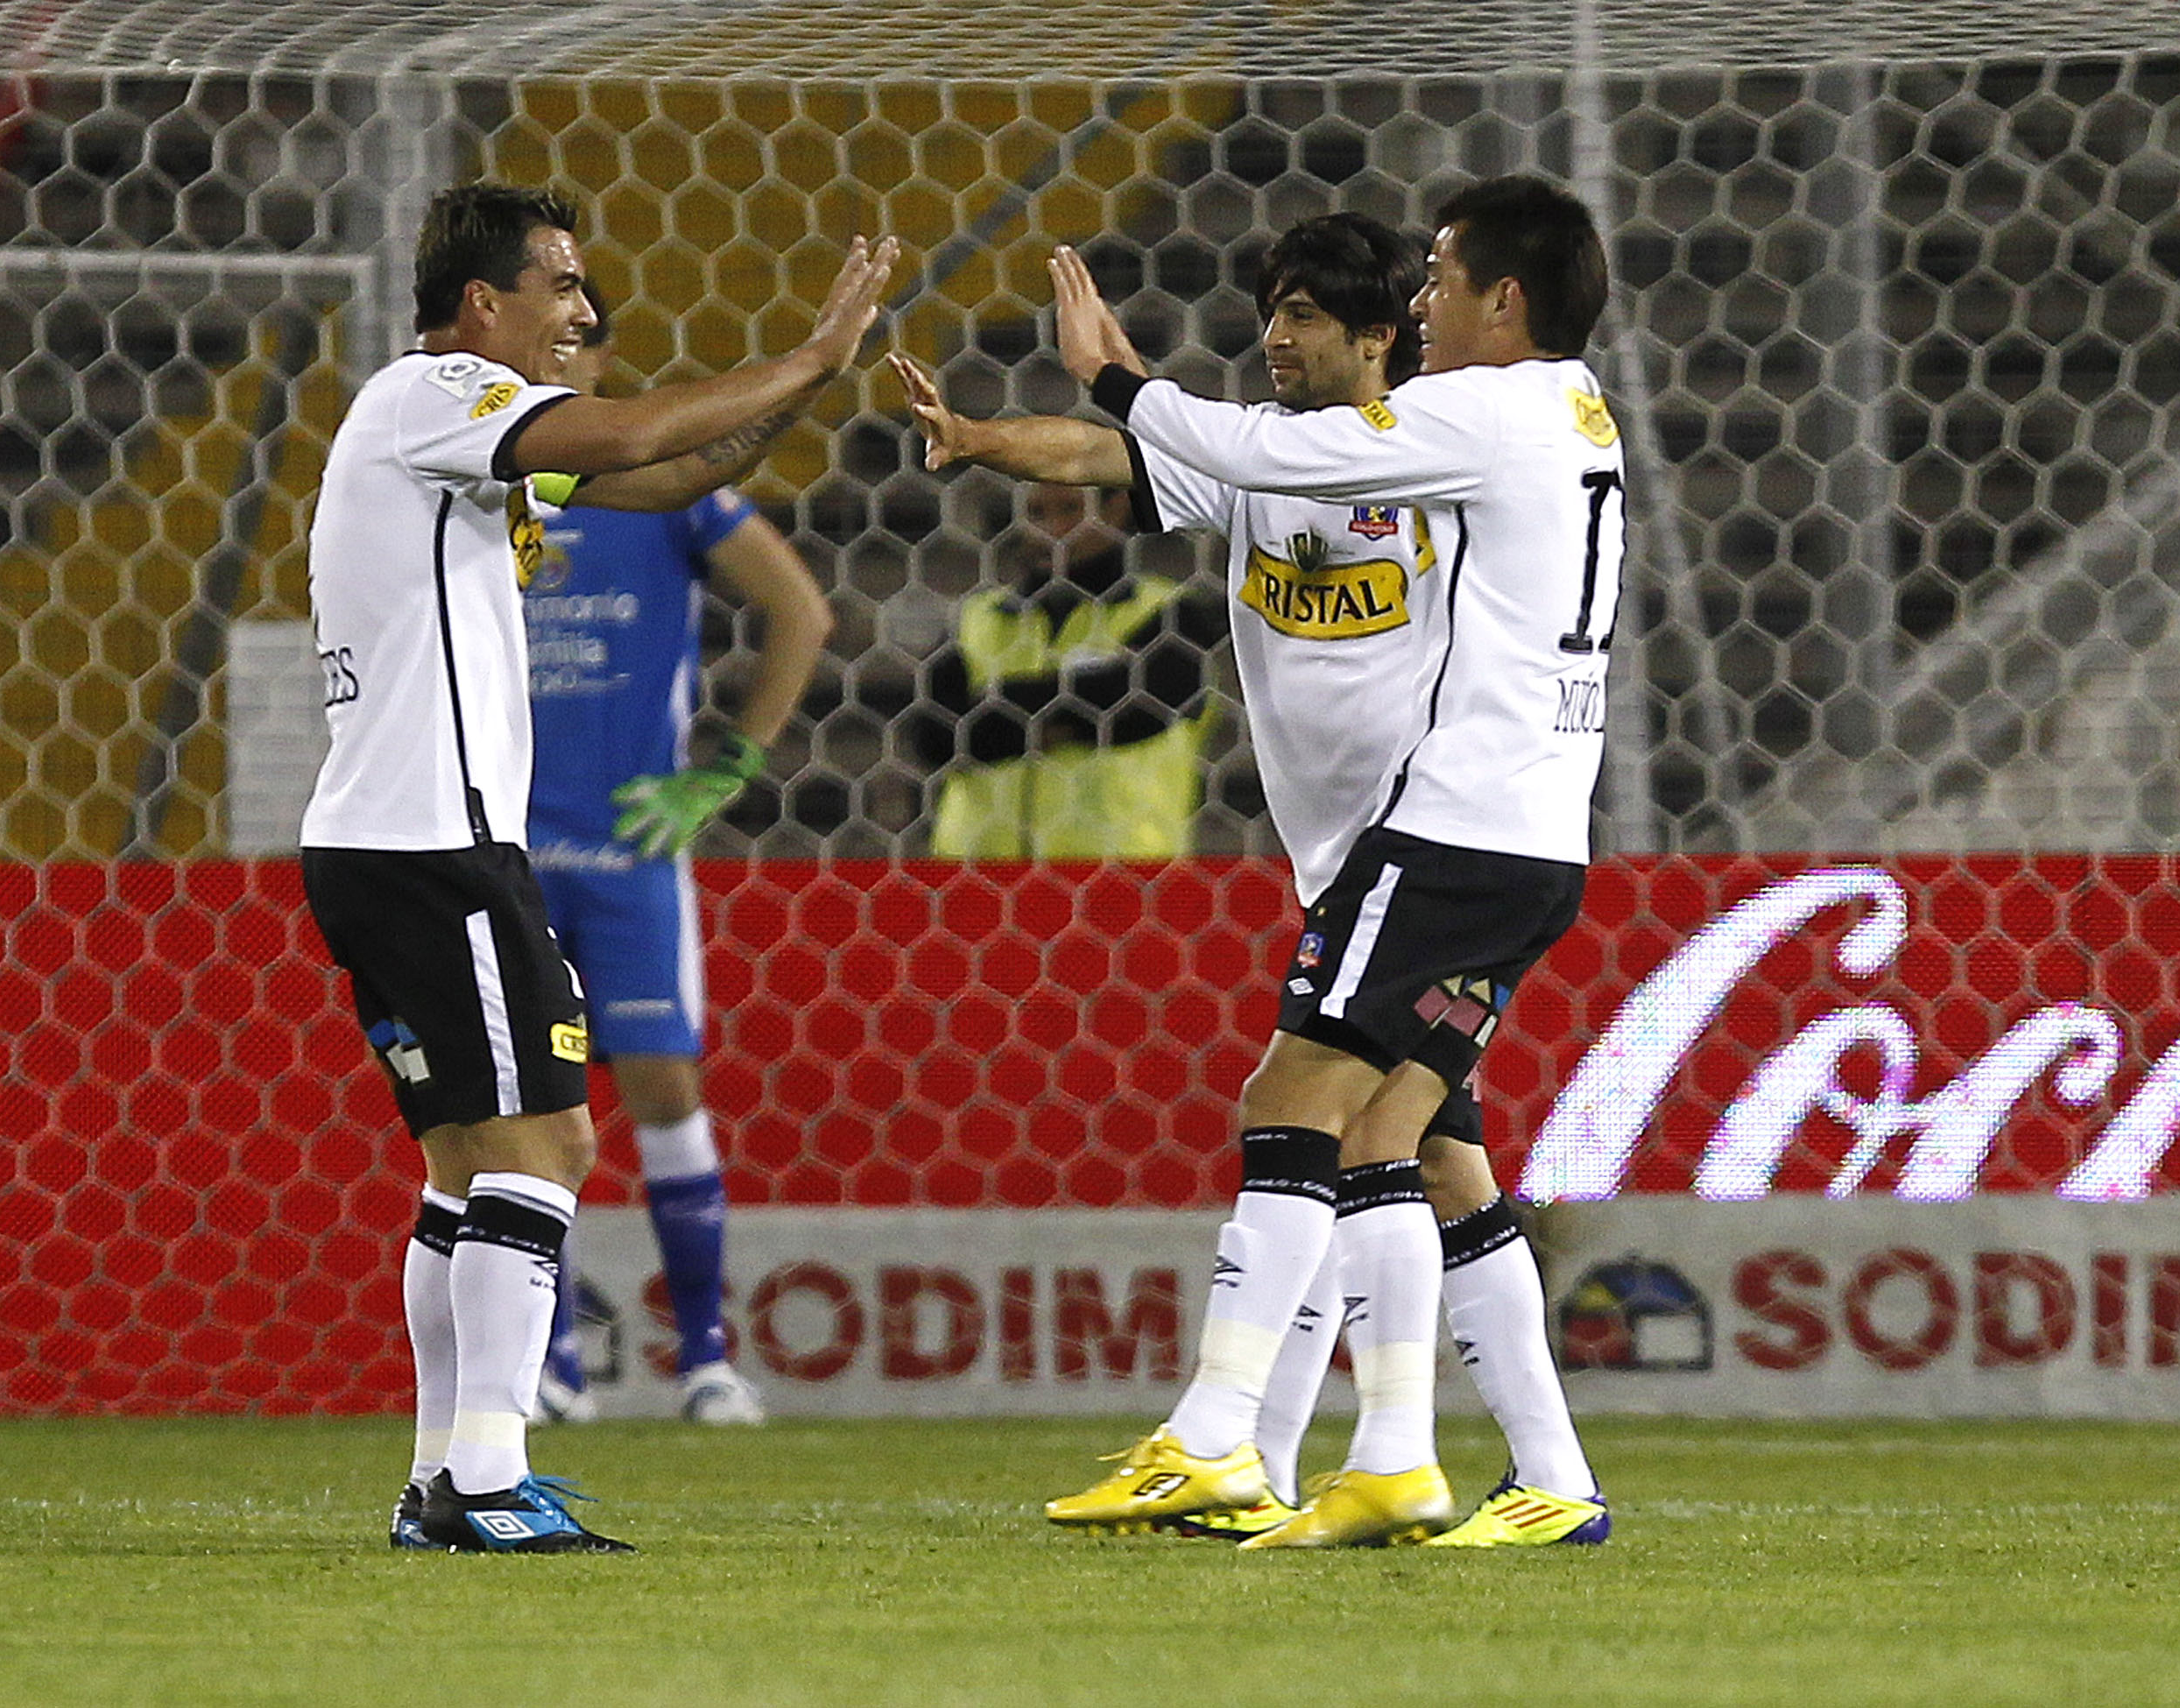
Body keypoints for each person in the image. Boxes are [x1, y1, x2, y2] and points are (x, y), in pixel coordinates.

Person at [902, 188, 1616, 1549]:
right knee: (1416, 1149)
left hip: (1446, 835)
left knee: (1296, 1110)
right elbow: (1149, 462)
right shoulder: (1514, 422)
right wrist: (993, 437)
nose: (1427, 301)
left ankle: (1223, 1437)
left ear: (1497, 303)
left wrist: (1117, 371)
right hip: (1472, 839)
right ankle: (1536, 1473)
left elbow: (1213, 442)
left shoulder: (1447, 431)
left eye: (1442, 279)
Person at [296, 180, 893, 1553]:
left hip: (395, 840)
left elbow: (669, 472)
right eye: (560, 284)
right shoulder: (433, 391)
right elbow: (630, 424)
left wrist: (818, 378)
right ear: (481, 304)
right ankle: (488, 1482)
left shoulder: (454, 433)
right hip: (435, 846)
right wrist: (804, 350)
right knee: (550, 1139)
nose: (580, 308)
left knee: (464, 1161)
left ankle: (446, 1474)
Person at [520, 300, 832, 1428]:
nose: (566, 348)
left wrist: (725, 770)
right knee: (526, 1104)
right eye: (551, 327)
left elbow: (799, 607)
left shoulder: (654, 487)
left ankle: (703, 1356)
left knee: (660, 1087)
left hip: (624, 846)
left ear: (608, 358)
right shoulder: (495, 479)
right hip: (504, 849)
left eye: (584, 332)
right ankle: (550, 1364)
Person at [908, 480, 1226, 859]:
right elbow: (933, 737)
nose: (1051, 531)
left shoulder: (1170, 611)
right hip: (979, 872)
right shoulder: (978, 617)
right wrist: (1074, 710)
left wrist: (1000, 704)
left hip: (1122, 876)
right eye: (1036, 513)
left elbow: (1138, 710)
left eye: (1070, 510)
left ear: (1117, 508)